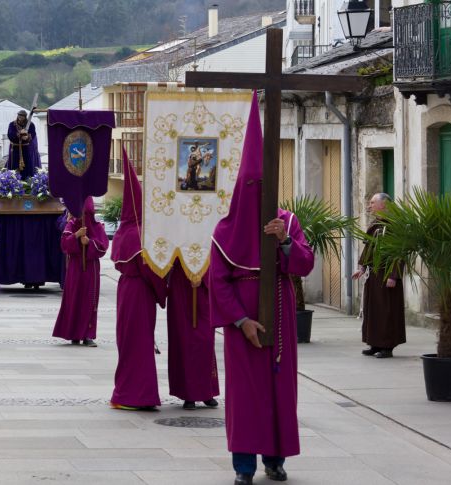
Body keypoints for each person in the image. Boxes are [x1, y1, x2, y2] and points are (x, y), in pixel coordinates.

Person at [208, 94, 314, 485]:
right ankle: (243, 467)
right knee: (246, 397)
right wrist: (240, 320)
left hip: (281, 318)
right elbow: (217, 281)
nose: (257, 192)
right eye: (250, 185)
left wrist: (284, 240)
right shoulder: (225, 229)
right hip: (243, 328)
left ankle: (276, 459)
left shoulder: (287, 221)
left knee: (278, 391)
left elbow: (303, 264)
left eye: (263, 185)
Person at [110, 151, 167, 411]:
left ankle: (127, 392)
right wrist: (162, 292)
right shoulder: (141, 234)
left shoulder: (124, 230)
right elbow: (150, 270)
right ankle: (137, 395)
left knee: (129, 341)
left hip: (126, 290)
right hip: (140, 292)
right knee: (141, 343)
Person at [352, 193, 405, 359]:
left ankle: (387, 346)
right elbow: (369, 248)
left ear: (384, 204)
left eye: (373, 202)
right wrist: (362, 268)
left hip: (387, 274)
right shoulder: (376, 224)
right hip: (374, 275)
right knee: (373, 310)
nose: (369, 206)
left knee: (386, 311)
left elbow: (399, 252)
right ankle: (374, 344)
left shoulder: (395, 224)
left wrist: (393, 275)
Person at [52, 197, 108, 346]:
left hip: (91, 269)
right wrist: (76, 236)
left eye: (86, 214)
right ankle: (74, 333)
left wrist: (89, 243)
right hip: (75, 268)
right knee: (74, 299)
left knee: (89, 300)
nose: (83, 218)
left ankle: (88, 335)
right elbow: (64, 245)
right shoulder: (71, 225)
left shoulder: (97, 227)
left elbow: (103, 247)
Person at [166, 261, 220, 410]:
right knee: (184, 341)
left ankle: (206, 391)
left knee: (205, 341)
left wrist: (203, 276)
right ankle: (188, 393)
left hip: (202, 289)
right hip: (180, 287)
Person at [6, 109, 41, 180]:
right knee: (14, 167)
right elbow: (10, 135)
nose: (20, 117)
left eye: (22, 116)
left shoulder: (30, 124)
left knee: (27, 166)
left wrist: (28, 137)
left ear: (25, 117)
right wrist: (19, 135)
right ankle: (14, 181)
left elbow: (33, 134)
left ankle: (27, 181)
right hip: (15, 149)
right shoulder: (12, 124)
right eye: (19, 115)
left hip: (26, 149)